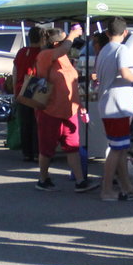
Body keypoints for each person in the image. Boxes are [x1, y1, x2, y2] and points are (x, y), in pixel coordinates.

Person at [33, 25, 98, 193]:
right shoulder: (45, 55)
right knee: (47, 148)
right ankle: (43, 179)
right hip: (49, 110)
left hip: (69, 110)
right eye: (65, 41)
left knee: (73, 146)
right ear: (57, 43)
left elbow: (71, 82)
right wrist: (73, 34)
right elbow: (64, 49)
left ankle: (80, 181)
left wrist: (79, 104)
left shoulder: (64, 57)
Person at [94, 17, 133, 202]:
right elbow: (126, 74)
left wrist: (130, 97)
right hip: (116, 107)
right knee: (117, 149)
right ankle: (107, 190)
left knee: (121, 148)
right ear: (125, 32)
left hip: (112, 103)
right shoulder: (121, 49)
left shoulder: (104, 50)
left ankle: (127, 187)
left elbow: (110, 78)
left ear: (108, 32)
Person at [12, 26, 44, 163]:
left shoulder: (21, 52)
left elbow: (14, 72)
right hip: (36, 90)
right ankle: (38, 152)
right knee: (38, 123)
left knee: (25, 123)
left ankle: (27, 153)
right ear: (42, 37)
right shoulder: (43, 53)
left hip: (21, 90)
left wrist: (15, 90)